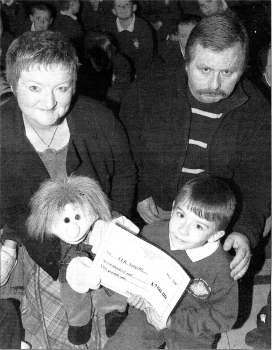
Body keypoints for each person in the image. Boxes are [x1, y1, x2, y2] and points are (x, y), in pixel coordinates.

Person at [0, 30, 136, 348]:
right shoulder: (2, 134)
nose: (49, 103)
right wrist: (62, 262)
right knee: (59, 324)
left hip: (99, 225)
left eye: (62, 88)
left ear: (74, 84)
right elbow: (13, 209)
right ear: (12, 84)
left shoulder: (99, 120)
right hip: (41, 235)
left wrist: (113, 220)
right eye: (34, 88)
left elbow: (126, 173)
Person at [119, 13, 271, 280]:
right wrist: (140, 191)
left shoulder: (257, 112)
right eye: (205, 70)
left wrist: (244, 232)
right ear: (186, 61)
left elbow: (258, 185)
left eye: (227, 72)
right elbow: (123, 154)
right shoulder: (147, 91)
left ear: (244, 67)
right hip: (156, 209)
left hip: (215, 219)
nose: (214, 85)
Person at [105, 176, 239, 349]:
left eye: (198, 226)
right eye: (181, 215)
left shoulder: (223, 268)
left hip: (192, 332)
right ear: (174, 206)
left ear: (215, 235)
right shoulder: (152, 233)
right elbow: (136, 273)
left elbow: (224, 317)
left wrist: (173, 321)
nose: (183, 229)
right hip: (148, 315)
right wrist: (136, 296)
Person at [77, 31, 132, 110]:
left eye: (108, 50)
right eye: (98, 52)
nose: (105, 54)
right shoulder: (82, 67)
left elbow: (121, 92)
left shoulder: (120, 62)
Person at [105, 0, 154, 78]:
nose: (123, 8)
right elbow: (107, 55)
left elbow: (146, 56)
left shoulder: (143, 27)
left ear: (134, 7)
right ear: (114, 11)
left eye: (127, 4)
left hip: (138, 72)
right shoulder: (109, 28)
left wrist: (134, 75)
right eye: (118, 6)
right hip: (116, 74)